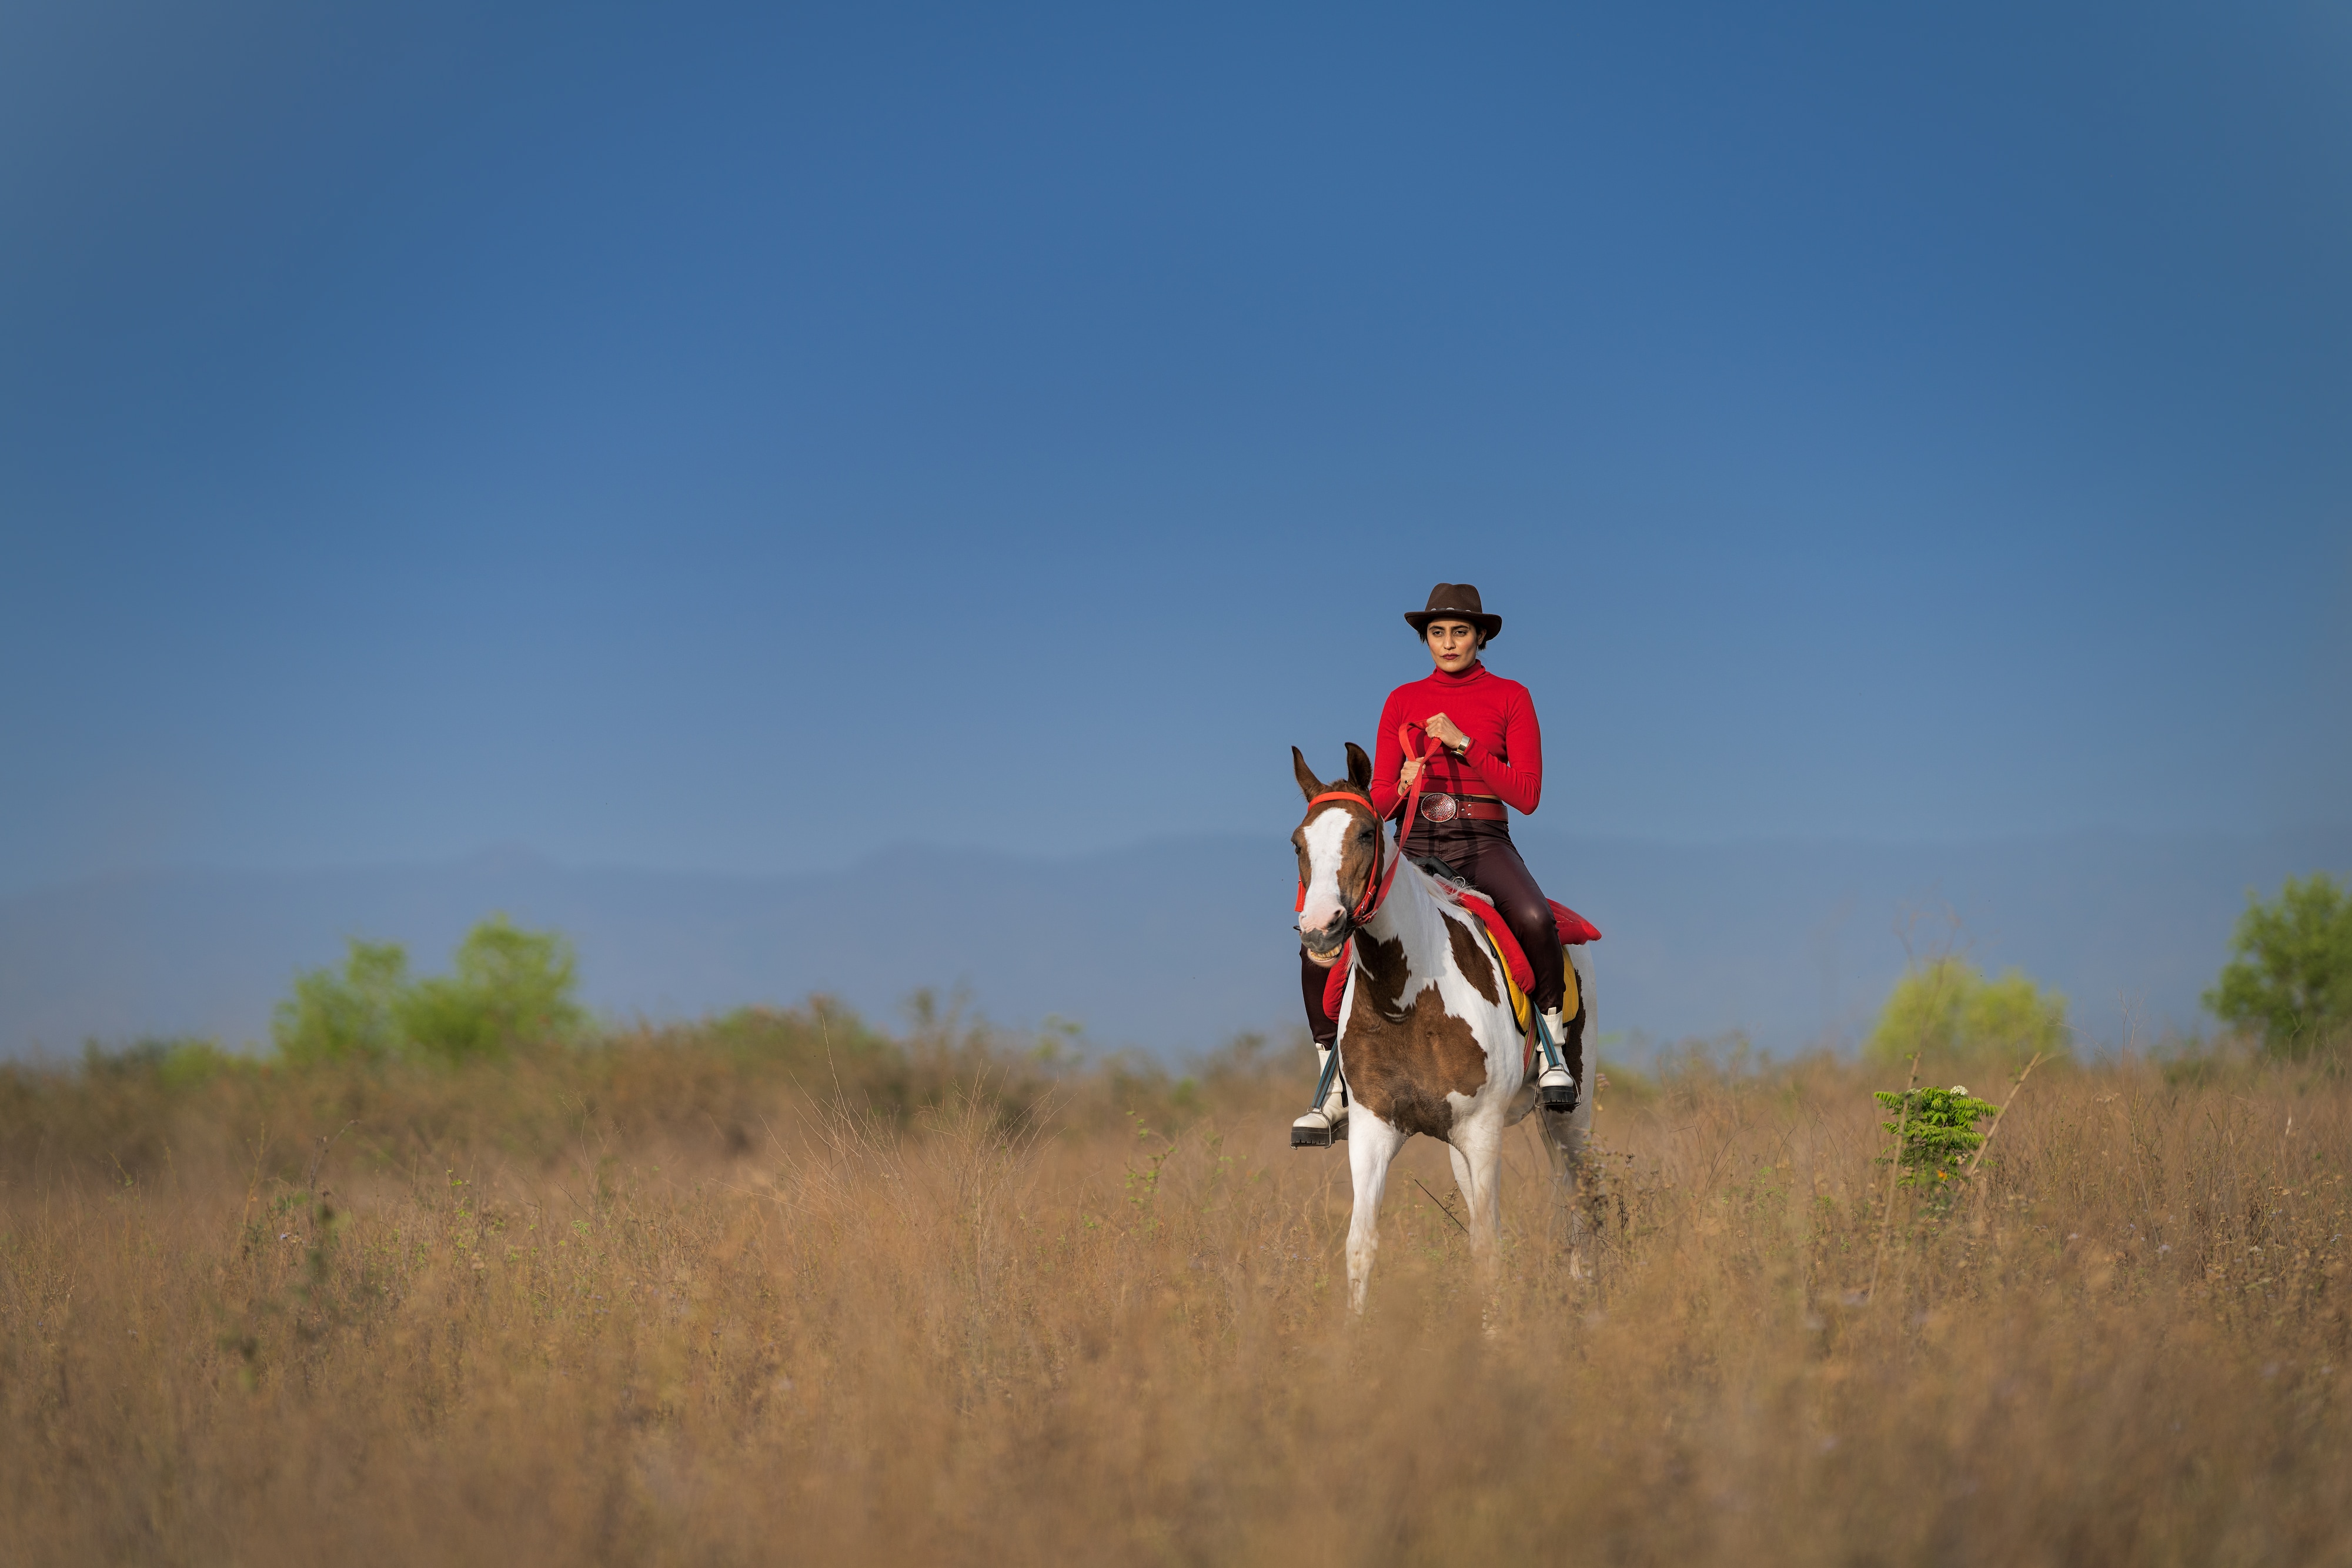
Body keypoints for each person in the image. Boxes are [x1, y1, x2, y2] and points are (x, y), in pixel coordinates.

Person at [1295, 582, 1575, 1143]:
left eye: (1461, 632)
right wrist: (1396, 788)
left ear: (1482, 637)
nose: (1449, 643)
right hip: (1414, 841)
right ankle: (1331, 1086)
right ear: (1426, 639)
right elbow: (1376, 803)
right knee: (1326, 934)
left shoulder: (1511, 697)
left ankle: (1551, 1049)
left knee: (1537, 920)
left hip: (1484, 839)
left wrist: (1467, 744)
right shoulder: (1402, 700)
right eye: (1438, 633)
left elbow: (1528, 793)